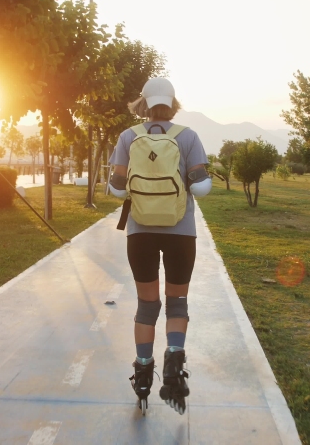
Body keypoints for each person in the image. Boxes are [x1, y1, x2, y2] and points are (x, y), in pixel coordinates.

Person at [108, 77, 211, 415]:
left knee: (147, 305)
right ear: (172, 102)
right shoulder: (188, 136)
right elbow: (202, 187)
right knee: (177, 302)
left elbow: (118, 190)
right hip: (181, 233)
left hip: (141, 233)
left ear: (144, 103)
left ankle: (141, 375)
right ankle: (173, 367)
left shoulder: (128, 137)